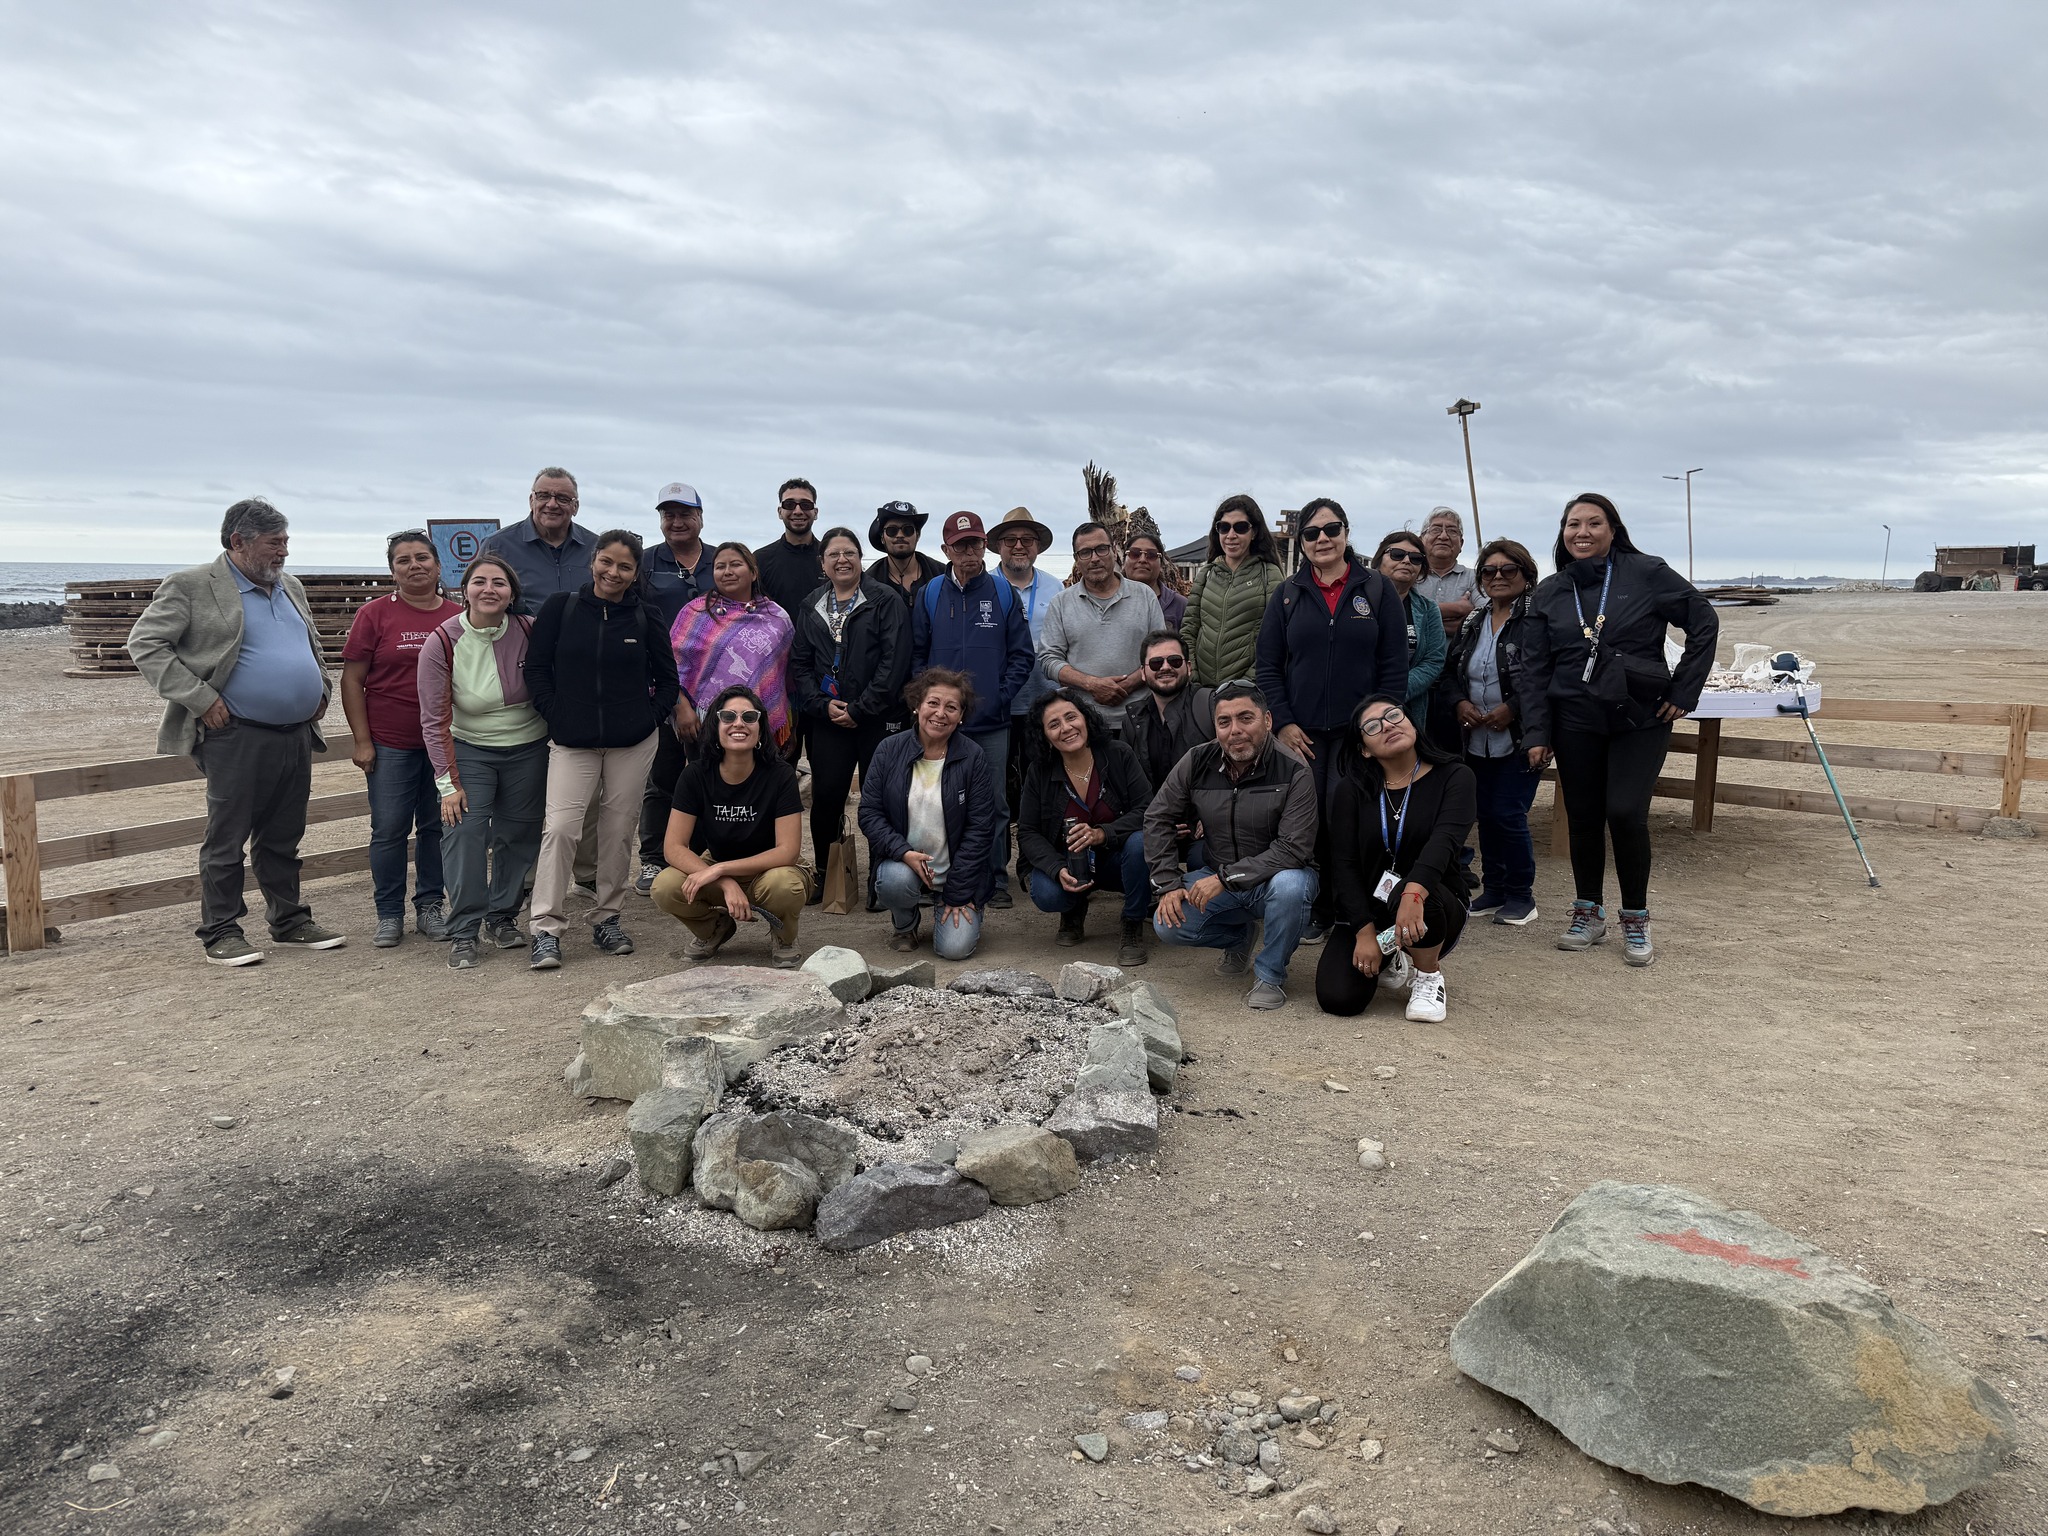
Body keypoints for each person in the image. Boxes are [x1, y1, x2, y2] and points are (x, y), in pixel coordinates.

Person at [128, 497, 345, 966]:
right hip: (236, 734)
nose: (284, 552)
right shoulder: (190, 585)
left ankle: (290, 921)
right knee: (227, 839)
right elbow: (145, 644)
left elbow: (311, 644)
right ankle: (222, 931)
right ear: (238, 542)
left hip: (296, 732)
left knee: (284, 834)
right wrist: (201, 698)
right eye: (274, 543)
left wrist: (322, 688)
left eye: (286, 541)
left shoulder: (290, 585)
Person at [1516, 493, 1719, 965]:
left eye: (1594, 523)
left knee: (1626, 813)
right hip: (1575, 720)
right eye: (1573, 524)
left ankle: (1636, 918)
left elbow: (1704, 621)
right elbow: (1534, 669)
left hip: (1639, 717)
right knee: (1584, 816)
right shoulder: (1550, 591)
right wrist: (1537, 733)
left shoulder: (1646, 572)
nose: (1582, 532)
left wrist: (1684, 690)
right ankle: (1588, 912)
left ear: (1613, 529)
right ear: (1562, 532)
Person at [522, 531, 679, 970]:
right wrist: (556, 714)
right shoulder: (562, 607)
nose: (613, 572)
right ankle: (546, 927)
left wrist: (648, 719)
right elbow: (537, 668)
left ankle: (607, 918)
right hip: (573, 741)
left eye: (624, 566)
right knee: (561, 828)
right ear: (593, 561)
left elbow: (668, 680)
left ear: (635, 572)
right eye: (606, 562)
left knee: (617, 831)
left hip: (633, 742)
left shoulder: (645, 616)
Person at [1254, 497, 1407, 942]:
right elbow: (1268, 666)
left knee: (1353, 819)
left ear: (1346, 532)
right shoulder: (1287, 594)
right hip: (1301, 734)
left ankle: (1353, 908)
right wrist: (1283, 722)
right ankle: (1319, 907)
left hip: (1358, 734)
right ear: (1301, 541)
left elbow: (1394, 666)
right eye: (1311, 532)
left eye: (1331, 529)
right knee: (1310, 821)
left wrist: (1377, 726)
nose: (1322, 538)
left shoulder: (1376, 589)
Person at [1144, 682, 1319, 1010]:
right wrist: (1167, 883)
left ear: (1267, 720)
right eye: (1224, 722)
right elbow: (1157, 817)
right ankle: (1239, 938)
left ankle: (1270, 974)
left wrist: (1225, 878)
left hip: (1275, 878)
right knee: (1167, 923)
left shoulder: (1294, 768)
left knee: (1291, 886)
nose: (1235, 730)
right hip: (1219, 874)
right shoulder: (1197, 759)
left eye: (1245, 718)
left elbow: (1294, 848)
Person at [417, 554, 550, 970]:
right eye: (479, 582)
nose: (489, 589)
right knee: (464, 833)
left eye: (499, 583)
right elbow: (433, 720)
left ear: (512, 593)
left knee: (519, 833)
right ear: (465, 590)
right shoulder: (442, 641)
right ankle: (464, 929)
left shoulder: (530, 630)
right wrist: (447, 784)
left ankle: (502, 915)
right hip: (470, 750)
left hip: (529, 748)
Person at [1315, 696, 1477, 1023]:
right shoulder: (1351, 790)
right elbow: (1343, 865)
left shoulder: (1455, 776)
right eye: (1373, 726)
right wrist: (1363, 932)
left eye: (1393, 715)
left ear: (1410, 721)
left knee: (1413, 891)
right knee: (1338, 998)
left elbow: (1444, 844)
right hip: (1372, 910)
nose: (1388, 725)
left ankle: (1428, 975)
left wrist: (1413, 893)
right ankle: (1394, 951)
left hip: (1434, 904)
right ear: (1364, 749)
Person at [340, 530, 462, 947]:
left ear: (438, 565)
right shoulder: (374, 615)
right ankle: (389, 913)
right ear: (392, 571)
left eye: (422, 558)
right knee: (389, 829)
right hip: (391, 742)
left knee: (437, 827)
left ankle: (430, 906)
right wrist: (362, 740)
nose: (414, 566)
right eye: (403, 560)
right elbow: (352, 680)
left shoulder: (458, 617)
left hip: (443, 745)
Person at [909, 512, 1032, 907]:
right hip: (940, 723)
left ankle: (995, 880)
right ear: (946, 549)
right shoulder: (930, 593)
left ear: (985, 546)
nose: (969, 552)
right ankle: (932, 879)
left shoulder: (1002, 593)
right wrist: (928, 705)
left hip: (991, 722)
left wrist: (998, 696)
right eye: (960, 545)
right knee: (932, 801)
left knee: (993, 802)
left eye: (975, 543)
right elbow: (916, 655)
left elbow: (1022, 655)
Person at [789, 528, 910, 898]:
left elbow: (894, 661)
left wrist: (861, 707)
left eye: (849, 553)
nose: (842, 560)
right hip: (828, 719)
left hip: (878, 717)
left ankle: (881, 877)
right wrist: (821, 704)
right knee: (826, 797)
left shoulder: (885, 599)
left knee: (881, 798)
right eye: (834, 554)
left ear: (860, 558)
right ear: (822, 563)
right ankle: (828, 876)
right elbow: (800, 664)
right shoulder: (811, 605)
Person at [650, 684, 808, 967]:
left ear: (760, 728)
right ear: (716, 725)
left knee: (785, 886)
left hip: (770, 870)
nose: (739, 724)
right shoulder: (695, 774)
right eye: (728, 716)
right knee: (665, 886)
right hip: (717, 863)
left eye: (749, 717)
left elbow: (788, 851)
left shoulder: (780, 775)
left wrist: (721, 870)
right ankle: (714, 927)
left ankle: (784, 934)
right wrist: (722, 878)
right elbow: (673, 847)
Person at [858, 668, 998, 958]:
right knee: (894, 881)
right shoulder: (888, 749)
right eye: (933, 703)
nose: (940, 713)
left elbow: (981, 828)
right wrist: (903, 852)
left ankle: (947, 903)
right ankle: (905, 923)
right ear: (917, 705)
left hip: (957, 873)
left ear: (961, 715)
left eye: (951, 707)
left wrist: (958, 893)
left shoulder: (973, 756)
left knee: (955, 949)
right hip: (904, 865)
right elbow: (869, 813)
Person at [1017, 689, 1154, 965]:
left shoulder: (1118, 754)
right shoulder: (1039, 771)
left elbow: (1147, 810)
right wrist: (1056, 868)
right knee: (1046, 893)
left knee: (1140, 842)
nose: (1066, 728)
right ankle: (1074, 907)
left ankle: (1132, 920)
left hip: (1118, 859)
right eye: (1054, 724)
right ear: (1044, 735)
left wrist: (1103, 833)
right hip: (1068, 862)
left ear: (1085, 718)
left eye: (1071, 717)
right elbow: (1028, 831)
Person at [1448, 539, 1544, 925]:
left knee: (1508, 813)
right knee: (1485, 813)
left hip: (1520, 735)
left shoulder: (1537, 618)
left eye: (1509, 569)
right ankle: (1495, 889)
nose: (1498, 576)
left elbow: (1546, 675)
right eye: (1489, 570)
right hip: (1476, 736)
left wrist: (1513, 709)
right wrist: (1460, 703)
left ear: (1526, 574)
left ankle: (1521, 895)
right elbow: (1451, 670)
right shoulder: (1474, 620)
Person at [638, 482, 717, 893]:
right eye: (668, 514)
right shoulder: (646, 563)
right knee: (663, 778)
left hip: (717, 691)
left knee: (715, 776)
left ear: (700, 517)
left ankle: (706, 852)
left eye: (685, 513)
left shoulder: (721, 560)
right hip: (663, 687)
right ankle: (653, 859)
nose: (677, 521)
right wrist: (676, 700)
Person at [1038, 520, 1165, 736]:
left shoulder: (1144, 596)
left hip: (1140, 719)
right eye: (1085, 552)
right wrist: (1091, 684)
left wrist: (1127, 685)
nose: (1095, 558)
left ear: (1114, 550)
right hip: (1082, 722)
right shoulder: (1061, 603)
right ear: (1076, 559)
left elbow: (1160, 654)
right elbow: (1048, 659)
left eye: (1101, 549)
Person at [670, 542, 797, 753]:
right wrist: (681, 707)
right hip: (704, 727)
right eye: (720, 566)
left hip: (758, 728)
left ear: (753, 573)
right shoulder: (695, 613)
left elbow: (788, 678)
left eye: (736, 564)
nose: (727, 571)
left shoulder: (777, 618)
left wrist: (789, 725)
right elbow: (668, 667)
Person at [992, 506, 1059, 863]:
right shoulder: (985, 584)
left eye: (1027, 539)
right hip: (998, 702)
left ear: (1037, 546)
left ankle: (1035, 861)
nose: (1019, 546)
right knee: (998, 785)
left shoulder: (1055, 587)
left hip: (1042, 702)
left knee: (1041, 781)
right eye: (1011, 539)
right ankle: (997, 864)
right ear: (998, 546)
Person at [1122, 629, 1215, 870]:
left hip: (1207, 826)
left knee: (1203, 858)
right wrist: (1159, 822)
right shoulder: (1133, 719)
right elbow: (1130, 789)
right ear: (1143, 673)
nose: (1165, 667)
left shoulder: (1210, 705)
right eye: (1155, 663)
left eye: (1174, 661)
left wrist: (1213, 818)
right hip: (1157, 825)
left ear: (1189, 667)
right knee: (1136, 848)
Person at [1181, 494, 1285, 687]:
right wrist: (1194, 679)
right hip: (1201, 690)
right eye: (1224, 527)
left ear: (1254, 532)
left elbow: (1276, 638)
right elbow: (1189, 630)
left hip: (1247, 690)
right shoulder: (1206, 574)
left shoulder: (1269, 574)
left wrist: (1243, 685)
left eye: (1240, 527)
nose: (1231, 535)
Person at [478, 468, 597, 615]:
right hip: (521, 631)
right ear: (531, 501)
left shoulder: (596, 548)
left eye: (563, 498)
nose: (552, 504)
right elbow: (478, 605)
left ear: (575, 507)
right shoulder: (497, 546)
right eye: (543, 496)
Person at [1372, 530, 1447, 731]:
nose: (1406, 561)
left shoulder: (1428, 609)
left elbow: (1433, 660)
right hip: (1355, 704)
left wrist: (1392, 692)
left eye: (1415, 558)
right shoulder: (1356, 601)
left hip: (1406, 711)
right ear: (1379, 560)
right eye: (1397, 554)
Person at [752, 477, 825, 630]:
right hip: (777, 643)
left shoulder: (830, 558)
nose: (798, 511)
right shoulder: (760, 559)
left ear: (815, 512)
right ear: (780, 512)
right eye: (789, 505)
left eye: (805, 505)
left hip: (823, 644)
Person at [866, 501, 944, 608]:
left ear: (917, 535)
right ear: (882, 538)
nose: (900, 535)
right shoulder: (869, 582)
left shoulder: (942, 575)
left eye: (907, 530)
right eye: (891, 530)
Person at [1121, 532, 1187, 628]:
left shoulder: (1179, 605)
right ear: (1124, 561)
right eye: (1135, 554)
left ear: (1161, 564)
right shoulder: (1110, 602)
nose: (1142, 560)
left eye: (1151, 555)